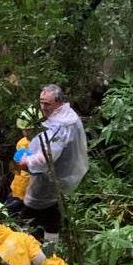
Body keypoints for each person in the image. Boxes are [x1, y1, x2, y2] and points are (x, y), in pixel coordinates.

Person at [16, 84, 88, 241]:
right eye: (41, 102)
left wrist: (26, 161)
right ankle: (51, 252)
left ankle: (27, 254)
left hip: (51, 179)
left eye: (47, 103)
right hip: (59, 179)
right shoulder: (67, 116)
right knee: (51, 217)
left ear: (59, 102)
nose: (43, 107)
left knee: (28, 220)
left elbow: (46, 157)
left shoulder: (61, 125)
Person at [5, 106, 40, 216]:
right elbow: (16, 166)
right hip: (18, 188)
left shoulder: (44, 143)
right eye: (23, 130)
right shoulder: (22, 143)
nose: (25, 133)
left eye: (28, 130)